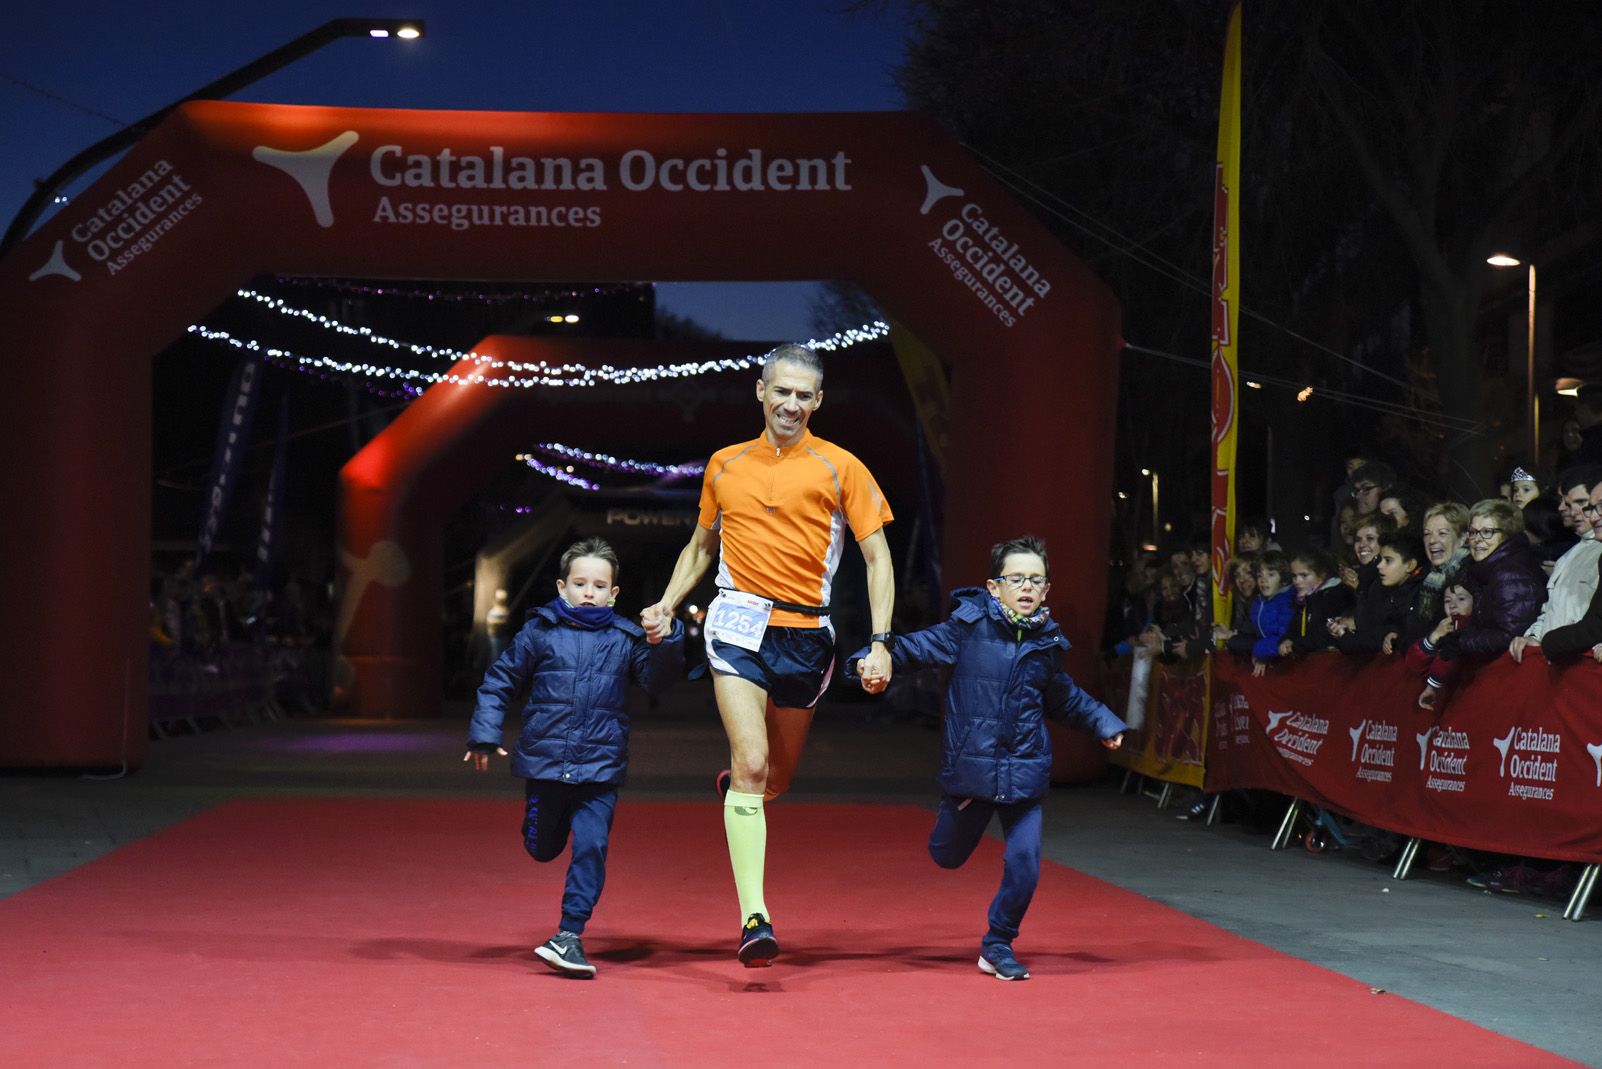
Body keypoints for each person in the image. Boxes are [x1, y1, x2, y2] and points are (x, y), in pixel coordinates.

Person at [640, 343, 895, 967]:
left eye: (803, 395)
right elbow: (702, 546)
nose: (791, 404)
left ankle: (745, 788)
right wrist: (669, 603)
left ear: (818, 401)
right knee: (752, 762)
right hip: (735, 624)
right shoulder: (725, 464)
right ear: (760, 391)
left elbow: (877, 559)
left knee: (774, 778)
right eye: (781, 391)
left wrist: (881, 641)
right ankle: (755, 916)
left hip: (807, 637)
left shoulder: (842, 468)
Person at [848, 535, 1126, 981]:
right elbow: (910, 649)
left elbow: (1064, 698)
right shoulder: (966, 628)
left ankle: (998, 943)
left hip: (1025, 771)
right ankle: (954, 824)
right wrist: (869, 658)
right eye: (1016, 578)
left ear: (1047, 590)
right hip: (971, 772)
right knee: (946, 855)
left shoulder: (1049, 645)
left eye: (1036, 579)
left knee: (1026, 865)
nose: (1027, 586)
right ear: (994, 587)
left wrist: (1104, 723)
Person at [464, 538, 684, 978]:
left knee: (592, 845)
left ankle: (569, 934)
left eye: (600, 585)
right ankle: (537, 825)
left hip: (599, 767)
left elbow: (657, 682)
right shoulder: (539, 632)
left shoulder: (625, 638)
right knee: (543, 848)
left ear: (614, 593)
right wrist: (484, 733)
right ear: (562, 587)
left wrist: (667, 639)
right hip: (546, 764)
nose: (589, 592)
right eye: (580, 583)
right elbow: (500, 680)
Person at [1213, 550, 1293, 676]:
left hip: (1286, 664)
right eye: (1260, 575)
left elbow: (1284, 637)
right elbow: (1257, 634)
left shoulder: (1286, 601)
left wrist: (1261, 652)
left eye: (1248, 574)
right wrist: (1232, 635)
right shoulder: (1257, 604)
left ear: (1282, 577)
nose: (1242, 580)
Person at [1278, 547, 1352, 655]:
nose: (1297, 581)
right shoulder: (1303, 600)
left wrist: (1296, 646)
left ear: (1321, 575)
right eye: (1294, 576)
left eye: (1304, 575)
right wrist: (1287, 640)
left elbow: (1326, 634)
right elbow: (1293, 629)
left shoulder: (1335, 597)